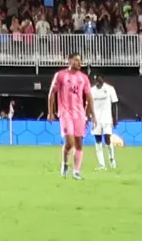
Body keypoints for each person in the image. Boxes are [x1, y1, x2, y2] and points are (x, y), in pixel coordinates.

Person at [48, 52, 93, 180]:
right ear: (69, 61)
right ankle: (65, 162)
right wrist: (50, 112)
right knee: (70, 142)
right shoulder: (61, 75)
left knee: (79, 144)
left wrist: (90, 114)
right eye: (76, 60)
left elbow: (89, 96)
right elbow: (52, 93)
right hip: (65, 113)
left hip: (79, 114)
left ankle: (76, 172)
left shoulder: (83, 78)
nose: (79, 63)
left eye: (80, 60)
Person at [90, 73, 120, 170]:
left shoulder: (110, 89)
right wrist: (89, 117)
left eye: (99, 79)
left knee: (107, 139)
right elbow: (89, 105)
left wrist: (115, 118)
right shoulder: (92, 90)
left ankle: (112, 159)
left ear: (103, 79)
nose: (97, 82)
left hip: (107, 118)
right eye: (95, 80)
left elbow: (114, 104)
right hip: (96, 119)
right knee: (98, 140)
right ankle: (102, 164)